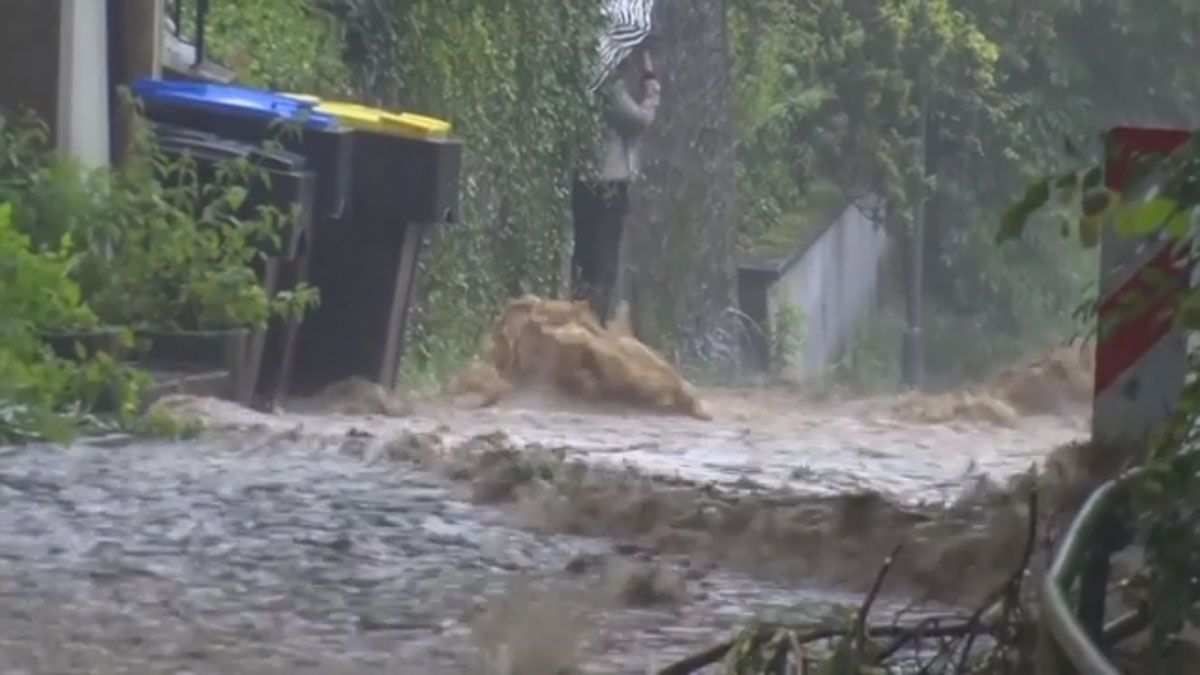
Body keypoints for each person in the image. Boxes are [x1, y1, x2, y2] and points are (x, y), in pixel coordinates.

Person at [571, 41, 660, 325]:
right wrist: (650, 83)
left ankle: (581, 314)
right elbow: (640, 121)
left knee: (585, 255)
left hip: (583, 179)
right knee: (604, 259)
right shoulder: (608, 87)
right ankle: (595, 320)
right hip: (608, 182)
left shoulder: (579, 77)